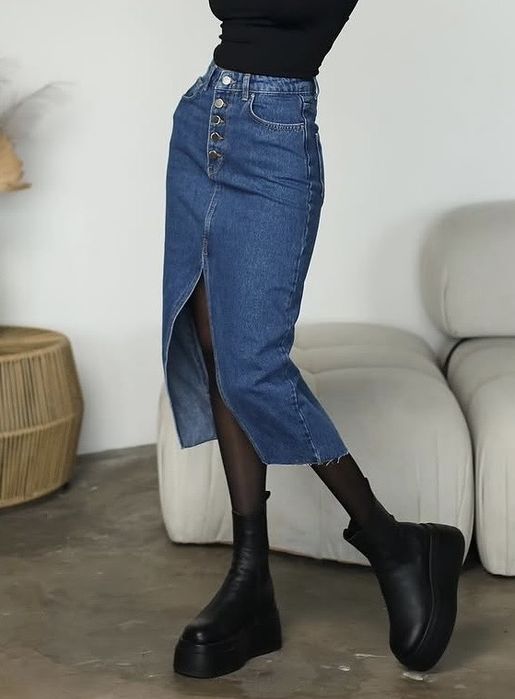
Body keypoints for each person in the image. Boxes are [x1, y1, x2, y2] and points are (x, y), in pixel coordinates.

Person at [162, 0, 465, 679]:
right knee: (212, 344)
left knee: (251, 367)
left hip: (274, 134)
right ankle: (250, 583)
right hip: (204, 114)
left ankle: (393, 542)